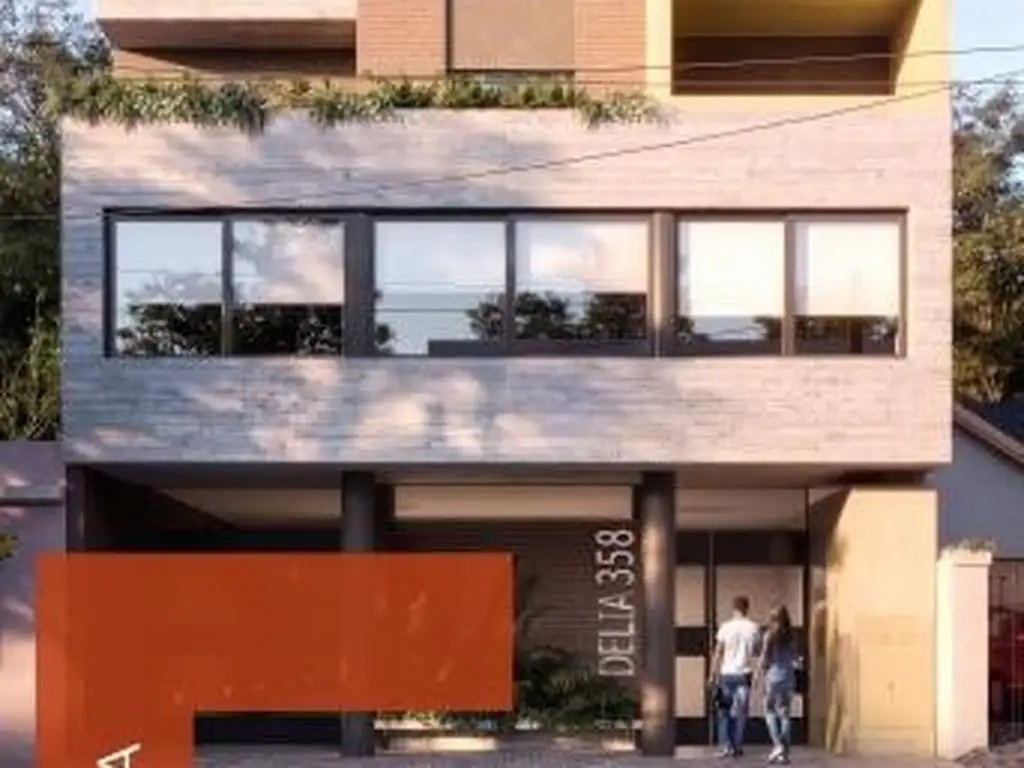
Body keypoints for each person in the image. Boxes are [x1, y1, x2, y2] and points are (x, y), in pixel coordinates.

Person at [708, 595, 760, 758]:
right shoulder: (754, 628)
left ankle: (725, 746)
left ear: (734, 609)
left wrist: (712, 673)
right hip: (744, 674)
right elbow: (757, 651)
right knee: (741, 713)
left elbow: (718, 652)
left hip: (727, 674)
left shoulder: (725, 627)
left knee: (724, 711)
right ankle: (737, 745)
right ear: (747, 608)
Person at [756, 606, 798, 765]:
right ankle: (784, 753)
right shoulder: (791, 635)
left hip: (773, 677)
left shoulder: (769, 635)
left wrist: (757, 675)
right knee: (785, 713)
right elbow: (795, 656)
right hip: (788, 676)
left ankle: (777, 745)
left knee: (769, 711)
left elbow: (764, 657)